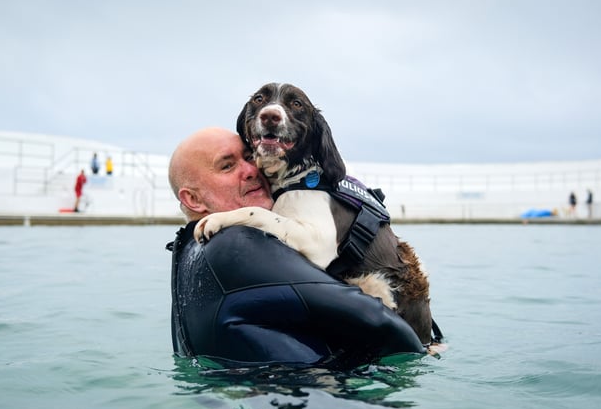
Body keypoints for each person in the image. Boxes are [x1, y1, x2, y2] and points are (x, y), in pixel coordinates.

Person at [167, 128, 425, 368]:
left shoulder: (190, 257)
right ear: (193, 199)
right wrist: (425, 346)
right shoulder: (233, 244)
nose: (251, 169)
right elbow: (382, 323)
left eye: (249, 156)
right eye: (227, 166)